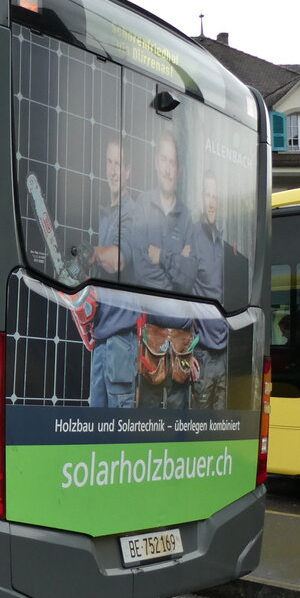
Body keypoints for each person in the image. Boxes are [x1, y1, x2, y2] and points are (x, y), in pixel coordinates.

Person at [126, 129, 199, 408]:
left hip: (182, 341)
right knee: (147, 426)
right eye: (164, 160)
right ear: (156, 163)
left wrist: (163, 257)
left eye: (173, 163)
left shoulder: (187, 214)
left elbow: (190, 274)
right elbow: (142, 270)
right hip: (151, 339)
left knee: (179, 431)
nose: (168, 169)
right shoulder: (143, 205)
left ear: (178, 170)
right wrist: (177, 262)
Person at [87, 137, 139, 408]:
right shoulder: (105, 215)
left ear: (128, 171)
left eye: (118, 164)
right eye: (109, 162)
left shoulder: (133, 213)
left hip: (121, 341)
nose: (113, 170)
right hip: (102, 338)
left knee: (119, 430)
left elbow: (118, 259)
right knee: (94, 431)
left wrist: (93, 252)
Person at [191, 170, 228, 408]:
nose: (212, 202)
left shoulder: (224, 243)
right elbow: (180, 293)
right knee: (198, 433)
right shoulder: (192, 237)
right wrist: (188, 351)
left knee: (219, 431)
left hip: (224, 352)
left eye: (215, 196)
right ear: (200, 199)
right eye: (207, 195)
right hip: (201, 354)